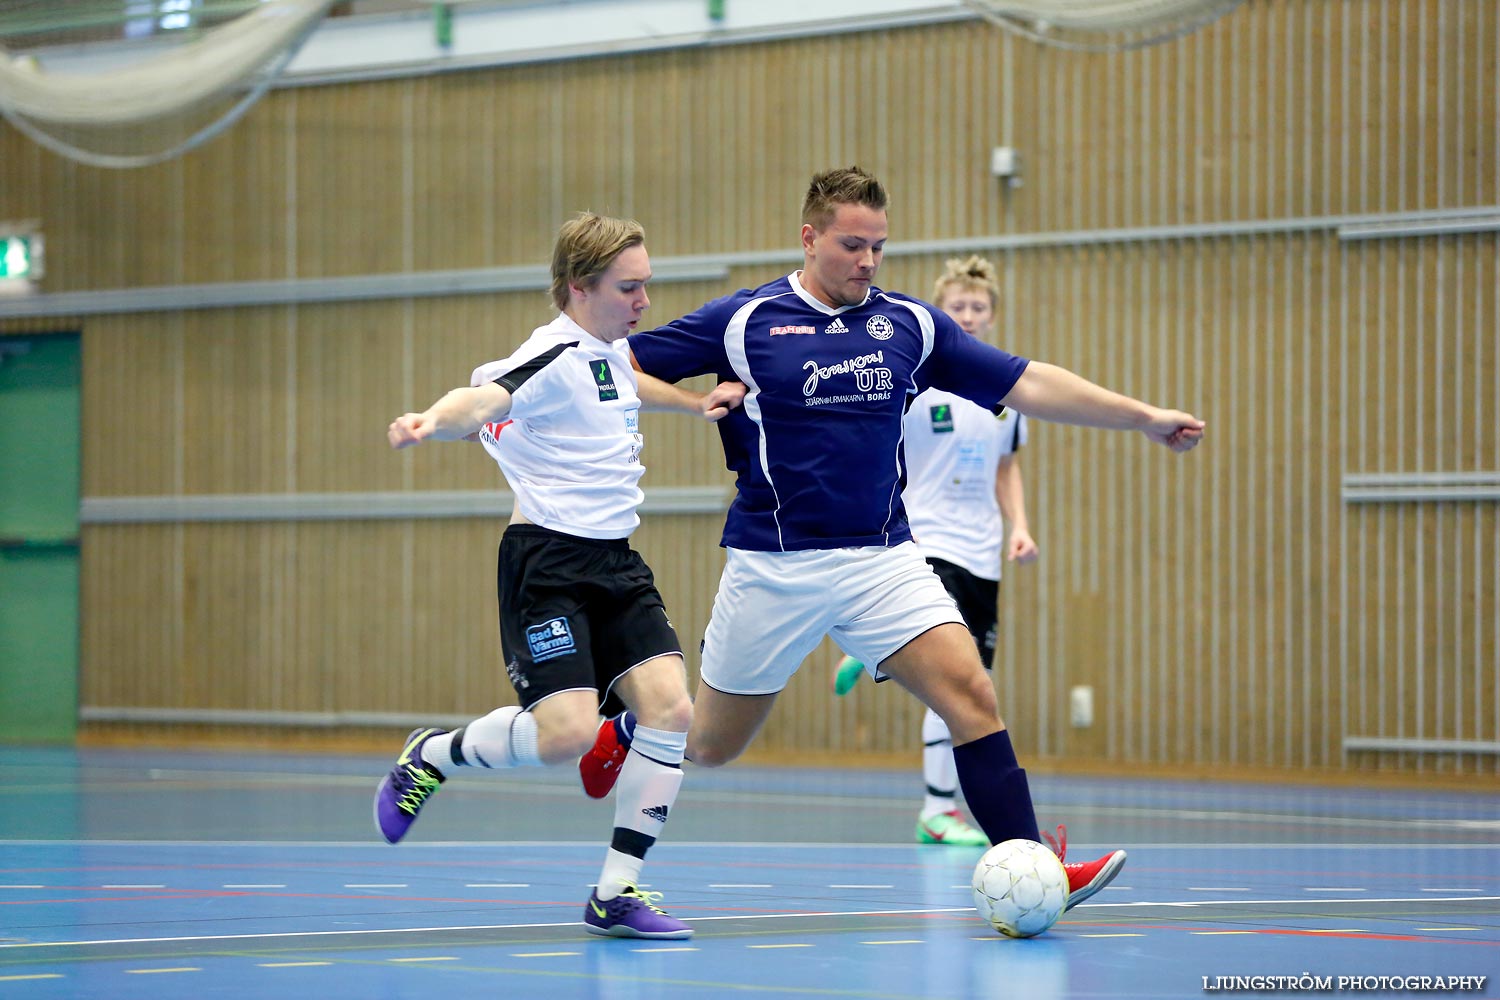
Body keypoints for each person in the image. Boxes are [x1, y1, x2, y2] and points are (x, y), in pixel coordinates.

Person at [579, 166, 1205, 912]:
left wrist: (1141, 415)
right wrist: (687, 401)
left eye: (879, 246)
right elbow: (613, 365)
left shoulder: (911, 326)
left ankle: (1037, 868)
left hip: (883, 560)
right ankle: (627, 724)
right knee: (711, 745)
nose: (868, 262)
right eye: (852, 245)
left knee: (972, 694)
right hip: (773, 565)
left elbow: (1025, 382)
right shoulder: (744, 320)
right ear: (810, 238)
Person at [375, 212, 741, 940]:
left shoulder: (609, 351)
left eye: (647, 287)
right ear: (580, 288)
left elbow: (630, 385)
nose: (643, 303)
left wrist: (695, 402)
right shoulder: (547, 359)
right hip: (545, 563)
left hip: (617, 560)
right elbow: (480, 401)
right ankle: (432, 754)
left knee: (673, 711)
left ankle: (617, 892)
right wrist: (429, 420)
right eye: (629, 289)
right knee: (566, 734)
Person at [831, 254, 1037, 849]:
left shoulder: (1006, 395)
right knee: (950, 675)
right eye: (958, 307)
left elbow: (1007, 470)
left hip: (983, 552)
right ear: (941, 313)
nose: (968, 316)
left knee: (976, 682)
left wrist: (1019, 525)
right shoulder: (916, 384)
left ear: (992, 317)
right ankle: (937, 809)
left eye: (979, 308)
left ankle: (877, 657)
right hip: (928, 539)